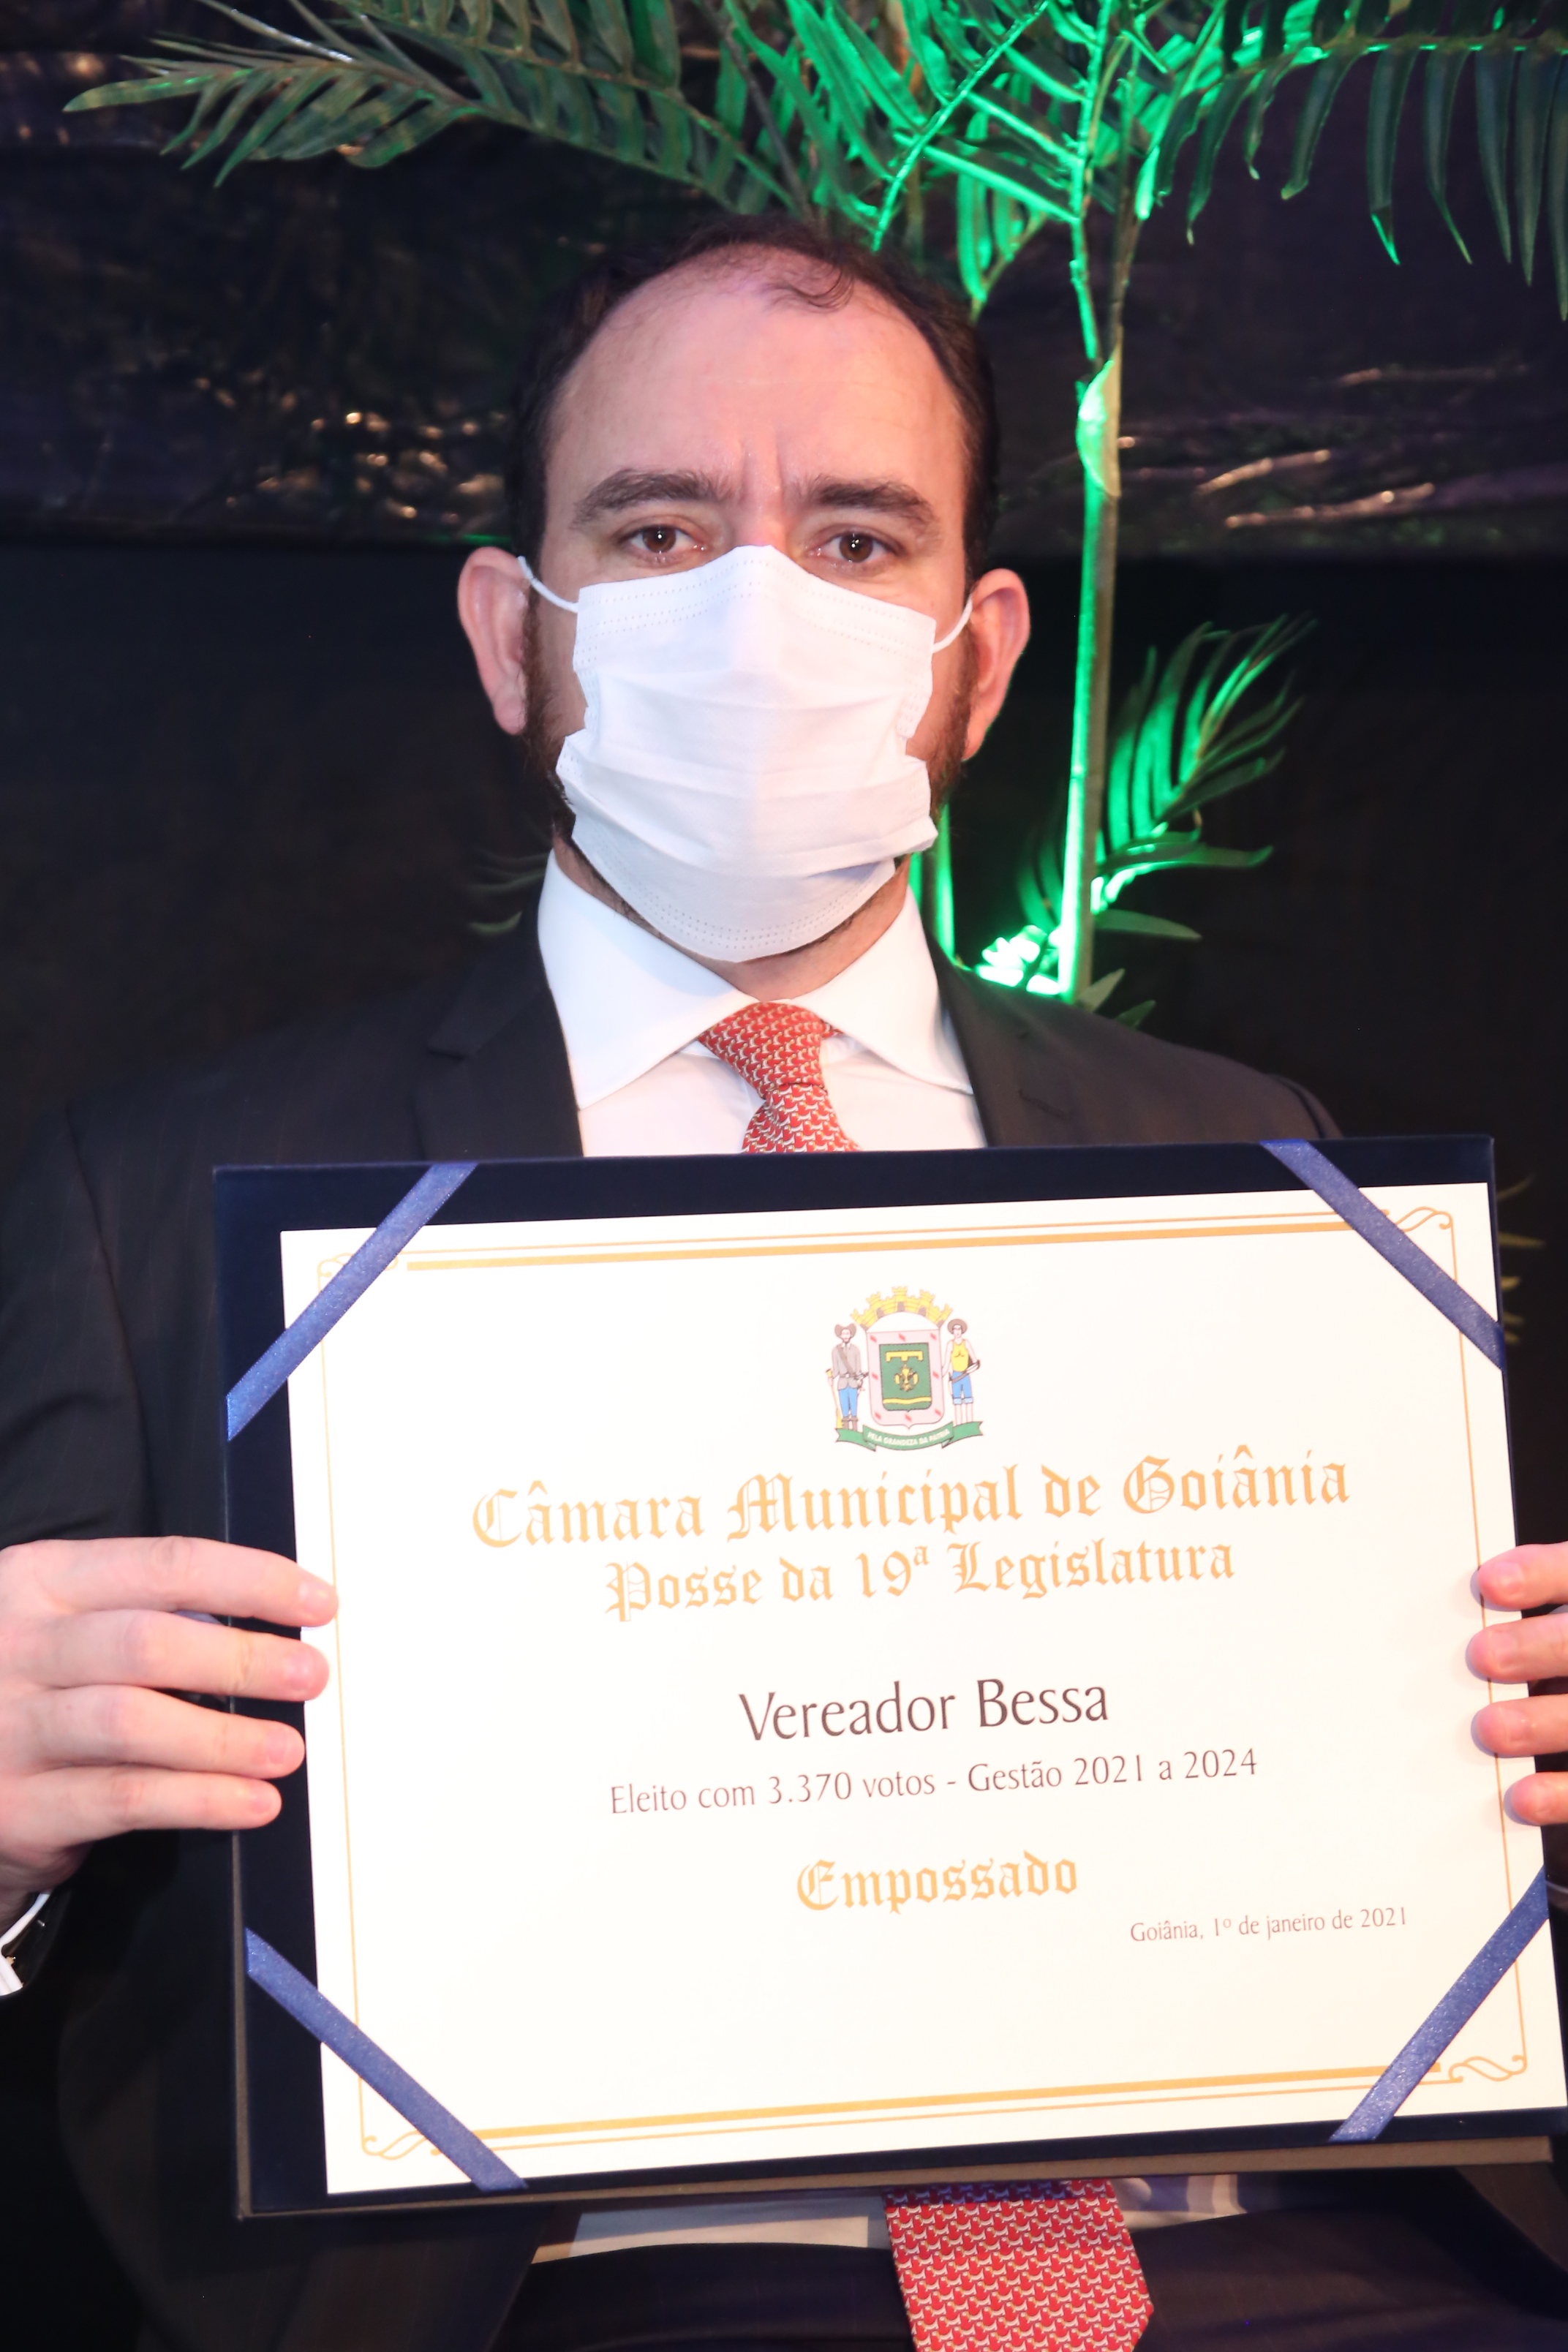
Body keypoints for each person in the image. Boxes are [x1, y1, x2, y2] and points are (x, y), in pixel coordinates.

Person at [1, 214, 1567, 2352]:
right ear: (510, 634)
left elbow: (1412, 1775)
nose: (758, 616)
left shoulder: (1251, 1164)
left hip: (1326, 2263)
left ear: (978, 661)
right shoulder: (154, 1204)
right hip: (598, 2293)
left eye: (855, 541)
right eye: (659, 533)